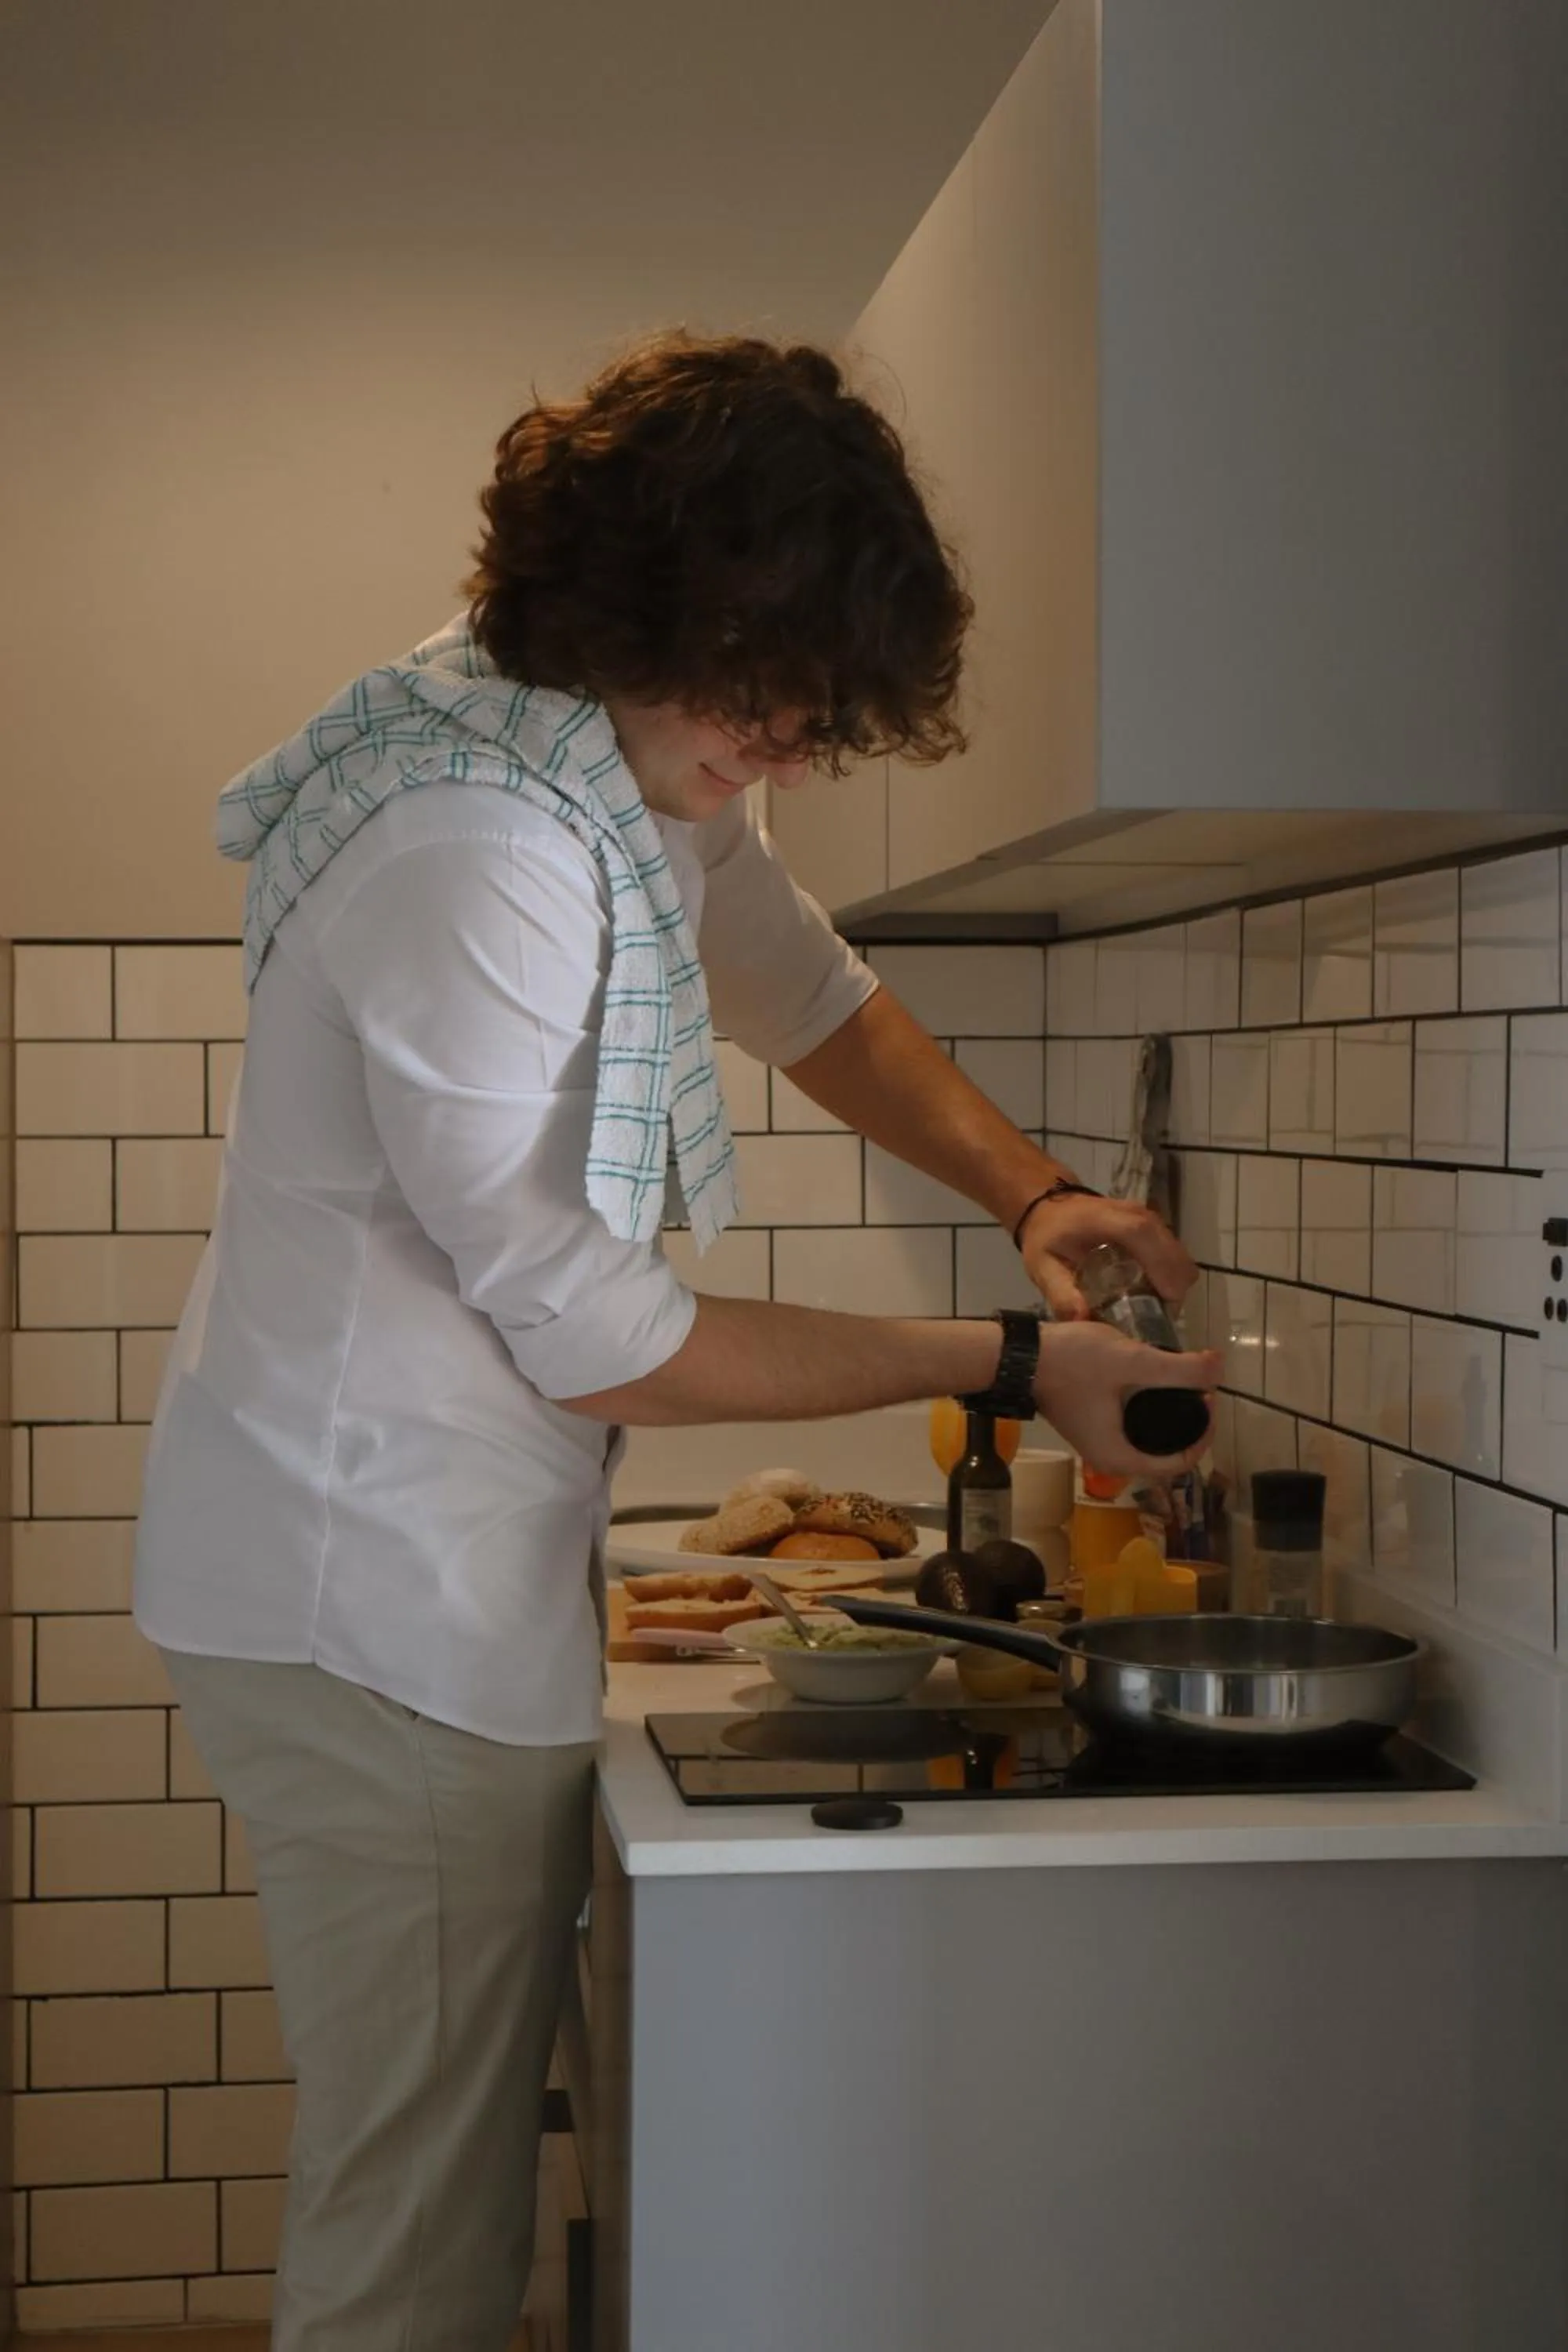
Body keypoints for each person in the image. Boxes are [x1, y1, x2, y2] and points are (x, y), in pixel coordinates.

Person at [133, 330, 1216, 2350]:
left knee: (433, 2173)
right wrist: (998, 1360)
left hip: (400, 1562)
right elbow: (600, 1333)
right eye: (774, 701)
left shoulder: (595, 750)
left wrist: (1037, 1195)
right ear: (655, 608)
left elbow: (807, 989)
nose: (795, 753)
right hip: (370, 1590)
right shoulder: (490, 843)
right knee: (415, 2227)